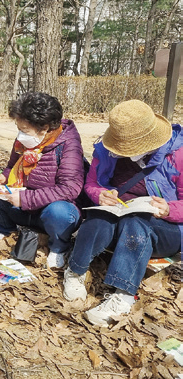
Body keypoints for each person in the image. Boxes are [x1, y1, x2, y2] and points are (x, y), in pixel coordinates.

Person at [63, 99, 182, 327]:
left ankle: (123, 295)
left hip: (164, 226)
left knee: (137, 223)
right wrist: (99, 195)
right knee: (98, 218)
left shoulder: (178, 155)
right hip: (119, 215)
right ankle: (75, 271)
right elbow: (92, 183)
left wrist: (168, 209)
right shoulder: (106, 151)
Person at [0, 92, 85, 269]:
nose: (20, 135)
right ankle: (6, 230)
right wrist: (3, 176)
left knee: (60, 213)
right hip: (21, 203)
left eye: (24, 130)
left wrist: (27, 199)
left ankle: (59, 247)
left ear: (44, 127)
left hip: (49, 211)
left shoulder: (69, 145)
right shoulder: (24, 141)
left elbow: (70, 188)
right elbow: (11, 166)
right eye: (18, 129)